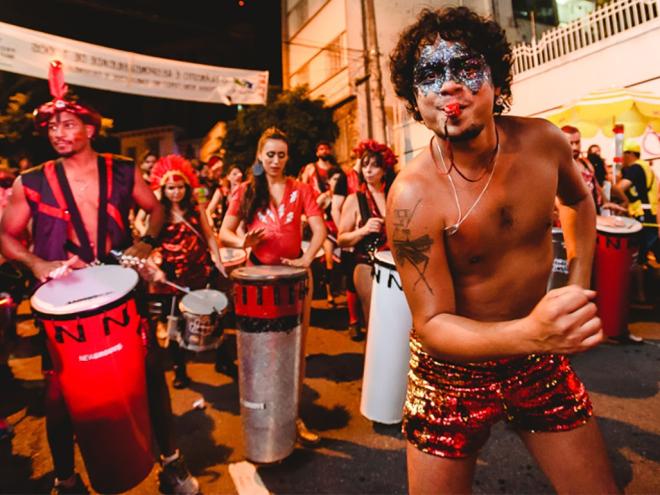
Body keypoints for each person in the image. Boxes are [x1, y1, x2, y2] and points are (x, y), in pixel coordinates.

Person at [387, 7, 618, 494]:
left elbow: (578, 201)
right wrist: (533, 333)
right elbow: (432, 323)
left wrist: (575, 286)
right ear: (414, 99)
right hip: (450, 375)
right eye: (429, 75)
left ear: (495, 78)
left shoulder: (543, 142)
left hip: (537, 358)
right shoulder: (412, 195)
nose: (449, 86)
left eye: (466, 67)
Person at [0, 61, 199, 495]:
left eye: (68, 124)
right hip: (62, 305)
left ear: (90, 128)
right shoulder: (30, 182)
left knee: (149, 373)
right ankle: (66, 478)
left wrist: (146, 243)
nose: (57, 133)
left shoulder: (123, 170)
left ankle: (171, 462)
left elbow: (156, 208)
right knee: (59, 393)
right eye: (52, 126)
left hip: (122, 295)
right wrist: (36, 264)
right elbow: (6, 236)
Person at [220, 127, 326, 446]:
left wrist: (306, 259)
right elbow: (225, 231)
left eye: (281, 155)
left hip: (294, 280)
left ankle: (293, 417)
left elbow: (319, 229)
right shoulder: (247, 190)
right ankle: (263, 417)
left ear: (288, 157)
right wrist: (242, 241)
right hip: (257, 281)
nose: (275, 161)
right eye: (270, 155)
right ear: (259, 156)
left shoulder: (301, 189)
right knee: (261, 353)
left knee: (296, 350)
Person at [148, 155, 224, 389]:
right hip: (171, 275)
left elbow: (209, 234)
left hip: (198, 270)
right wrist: (154, 266)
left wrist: (218, 259)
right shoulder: (159, 212)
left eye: (180, 187)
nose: (176, 192)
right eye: (171, 188)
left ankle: (223, 359)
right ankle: (179, 369)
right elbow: (148, 240)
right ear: (163, 189)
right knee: (174, 323)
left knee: (212, 315)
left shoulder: (195, 207)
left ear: (187, 186)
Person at [337, 139, 397, 341]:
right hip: (366, 263)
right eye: (365, 165)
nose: (368, 170)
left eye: (375, 165)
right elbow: (342, 239)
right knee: (376, 317)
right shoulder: (355, 199)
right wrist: (363, 230)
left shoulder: (395, 195)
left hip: (396, 265)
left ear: (385, 169)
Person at [299, 141, 344, 305]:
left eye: (326, 148)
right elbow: (303, 187)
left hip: (333, 211)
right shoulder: (311, 168)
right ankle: (328, 291)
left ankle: (335, 287)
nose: (324, 151)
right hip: (316, 212)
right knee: (327, 252)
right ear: (317, 152)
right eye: (321, 148)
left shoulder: (335, 169)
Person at [561, 125, 627, 215]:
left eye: (577, 142)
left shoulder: (586, 163)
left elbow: (595, 183)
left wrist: (606, 202)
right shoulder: (559, 166)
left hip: (593, 213)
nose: (575, 147)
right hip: (574, 216)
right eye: (571, 143)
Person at [619, 139, 660, 264]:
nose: (622, 158)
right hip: (649, 212)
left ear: (630, 154)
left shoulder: (636, 167)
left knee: (643, 248)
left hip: (641, 212)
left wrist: (622, 199)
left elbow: (620, 187)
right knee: (652, 245)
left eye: (623, 154)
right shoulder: (645, 167)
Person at [206, 163, 244, 233]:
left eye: (239, 174)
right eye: (234, 174)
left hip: (240, 228)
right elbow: (209, 210)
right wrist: (210, 221)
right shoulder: (222, 191)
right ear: (228, 177)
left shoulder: (244, 192)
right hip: (225, 228)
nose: (238, 176)